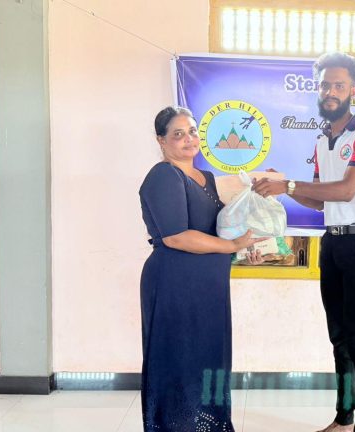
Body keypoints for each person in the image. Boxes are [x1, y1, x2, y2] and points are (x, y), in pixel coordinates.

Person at [253, 52, 355, 432]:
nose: (330, 92)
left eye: (339, 85)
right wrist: (282, 186)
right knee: (338, 336)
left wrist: (288, 185)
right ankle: (343, 420)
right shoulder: (323, 139)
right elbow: (319, 202)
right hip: (333, 242)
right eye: (325, 85)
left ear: (353, 90)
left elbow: (346, 190)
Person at [139, 106, 264, 432]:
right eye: (178, 134)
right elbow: (177, 236)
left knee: (209, 358)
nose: (188, 139)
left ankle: (210, 425)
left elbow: (216, 231)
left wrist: (244, 247)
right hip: (175, 283)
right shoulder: (164, 175)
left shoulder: (206, 178)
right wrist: (232, 245)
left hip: (209, 286)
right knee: (179, 360)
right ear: (161, 140)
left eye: (192, 131)